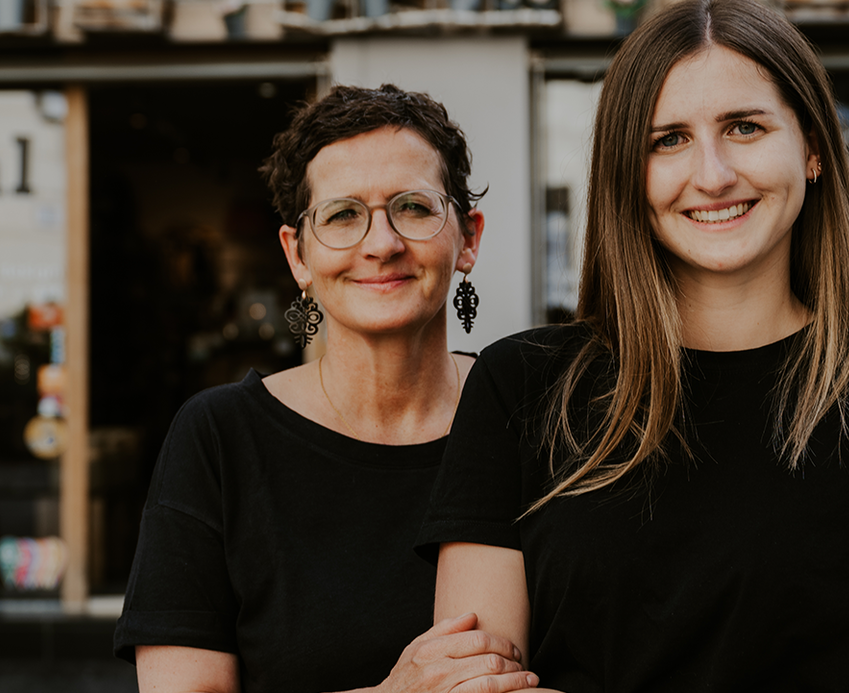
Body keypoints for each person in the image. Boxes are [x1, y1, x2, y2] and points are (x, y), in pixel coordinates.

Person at [419, 0, 849, 692]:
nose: (712, 174)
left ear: (813, 148)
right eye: (666, 139)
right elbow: (472, 683)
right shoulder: (521, 384)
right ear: (626, 175)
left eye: (745, 127)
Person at [113, 84, 542, 693]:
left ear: (468, 237)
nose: (381, 243)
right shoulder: (219, 439)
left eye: (414, 208)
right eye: (343, 215)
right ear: (299, 256)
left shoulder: (534, 417)